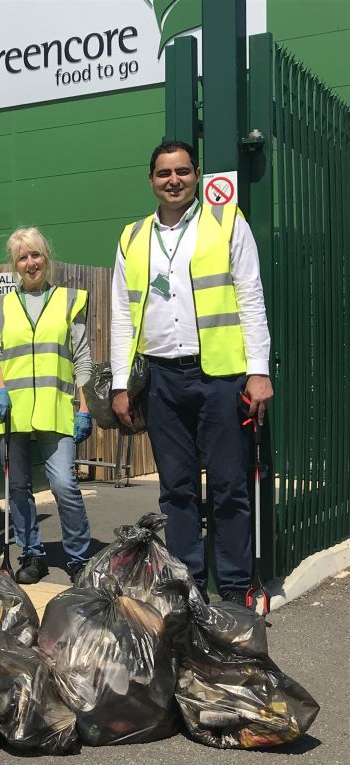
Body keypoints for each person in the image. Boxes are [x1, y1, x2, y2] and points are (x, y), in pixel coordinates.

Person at [109, 139, 273, 604]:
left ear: (196, 175)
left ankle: (237, 588)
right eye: (164, 173)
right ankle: (188, 590)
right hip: (161, 379)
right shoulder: (132, 237)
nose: (173, 181)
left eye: (182, 171)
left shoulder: (227, 224)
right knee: (176, 490)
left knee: (229, 486)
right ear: (151, 180)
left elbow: (251, 299)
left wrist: (258, 371)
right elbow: (122, 315)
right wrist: (121, 384)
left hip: (220, 376)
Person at [0, 226, 94, 585]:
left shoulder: (68, 300)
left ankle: (78, 556)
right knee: (17, 488)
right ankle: (32, 553)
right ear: (15, 265)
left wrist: (84, 408)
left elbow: (82, 360)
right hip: (12, 410)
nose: (31, 263)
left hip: (56, 408)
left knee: (63, 484)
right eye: (23, 257)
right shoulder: (0, 306)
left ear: (47, 257)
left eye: (36, 255)